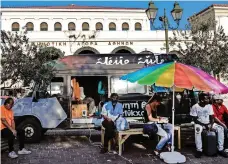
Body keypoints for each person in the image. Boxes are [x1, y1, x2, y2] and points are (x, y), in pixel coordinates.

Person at [190, 93, 227, 158]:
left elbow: (211, 117)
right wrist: (204, 125)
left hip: (209, 123)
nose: (209, 100)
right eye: (206, 99)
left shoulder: (209, 106)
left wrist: (210, 124)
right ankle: (199, 150)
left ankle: (220, 149)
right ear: (201, 100)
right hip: (200, 123)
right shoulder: (195, 107)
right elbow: (195, 120)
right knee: (197, 130)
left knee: (220, 128)